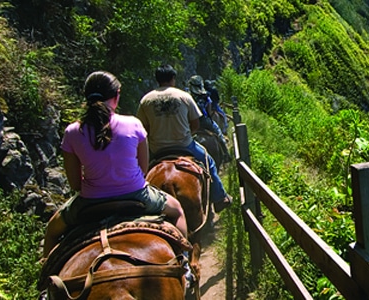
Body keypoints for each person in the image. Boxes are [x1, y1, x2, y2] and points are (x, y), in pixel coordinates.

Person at [42, 71, 188, 259]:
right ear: (117, 95)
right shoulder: (133, 124)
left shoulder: (72, 131)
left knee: (52, 230)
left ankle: (45, 285)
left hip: (90, 201)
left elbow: (75, 184)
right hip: (137, 195)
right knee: (177, 210)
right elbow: (143, 171)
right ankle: (184, 264)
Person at [136, 64, 232, 213]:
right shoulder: (183, 96)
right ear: (173, 79)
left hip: (156, 149)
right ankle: (219, 198)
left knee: (139, 172)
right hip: (184, 145)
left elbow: (143, 128)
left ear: (157, 79)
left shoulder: (146, 100)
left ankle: (136, 204)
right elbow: (195, 123)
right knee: (209, 162)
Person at [186, 75, 230, 160]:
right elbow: (209, 111)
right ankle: (226, 153)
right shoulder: (205, 95)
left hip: (190, 123)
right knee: (218, 133)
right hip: (205, 121)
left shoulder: (187, 97)